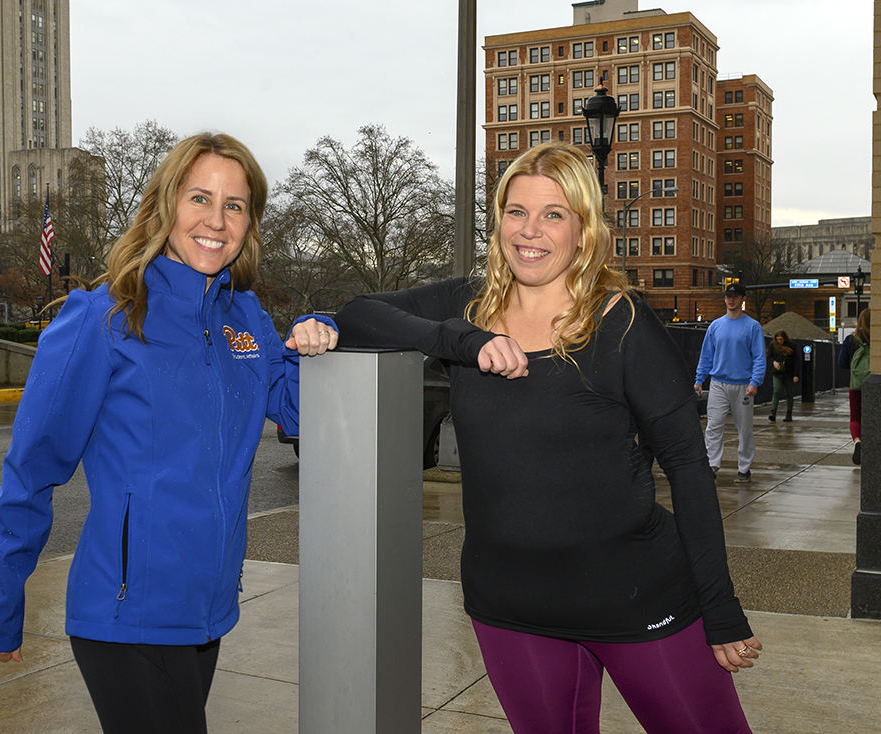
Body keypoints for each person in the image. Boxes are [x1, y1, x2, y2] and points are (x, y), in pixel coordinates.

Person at [334, 142, 759, 734]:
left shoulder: (624, 322)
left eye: (553, 214)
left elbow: (689, 466)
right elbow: (357, 312)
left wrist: (721, 607)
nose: (530, 231)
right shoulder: (467, 303)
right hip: (510, 607)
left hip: (636, 595)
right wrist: (466, 341)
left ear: (584, 230)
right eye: (516, 212)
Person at [0, 132, 337, 733]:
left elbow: (298, 414)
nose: (216, 221)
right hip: (125, 611)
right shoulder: (103, 315)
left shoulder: (244, 317)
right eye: (199, 199)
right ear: (165, 206)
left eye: (234, 205)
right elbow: (32, 468)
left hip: (207, 610)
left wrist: (317, 340)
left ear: (250, 222)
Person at [693, 283, 766, 482]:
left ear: (743, 299)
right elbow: (707, 355)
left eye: (735, 296)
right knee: (713, 426)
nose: (730, 299)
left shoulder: (753, 327)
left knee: (744, 429)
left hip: (743, 385)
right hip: (718, 383)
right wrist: (699, 380)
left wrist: (755, 382)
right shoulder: (715, 326)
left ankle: (744, 468)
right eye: (728, 296)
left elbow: (759, 357)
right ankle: (711, 465)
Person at [837, 307, 871, 465]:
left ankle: (858, 441)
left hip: (856, 385)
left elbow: (842, 363)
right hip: (875, 383)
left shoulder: (852, 339)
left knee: (855, 417)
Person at [766, 330, 800, 422]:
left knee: (789, 393)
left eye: (781, 339)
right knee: (776, 391)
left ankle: (789, 414)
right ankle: (773, 412)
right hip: (777, 372)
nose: (779, 341)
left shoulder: (792, 345)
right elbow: (770, 356)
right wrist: (774, 362)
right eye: (778, 339)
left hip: (789, 372)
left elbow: (796, 360)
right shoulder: (773, 345)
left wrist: (796, 374)